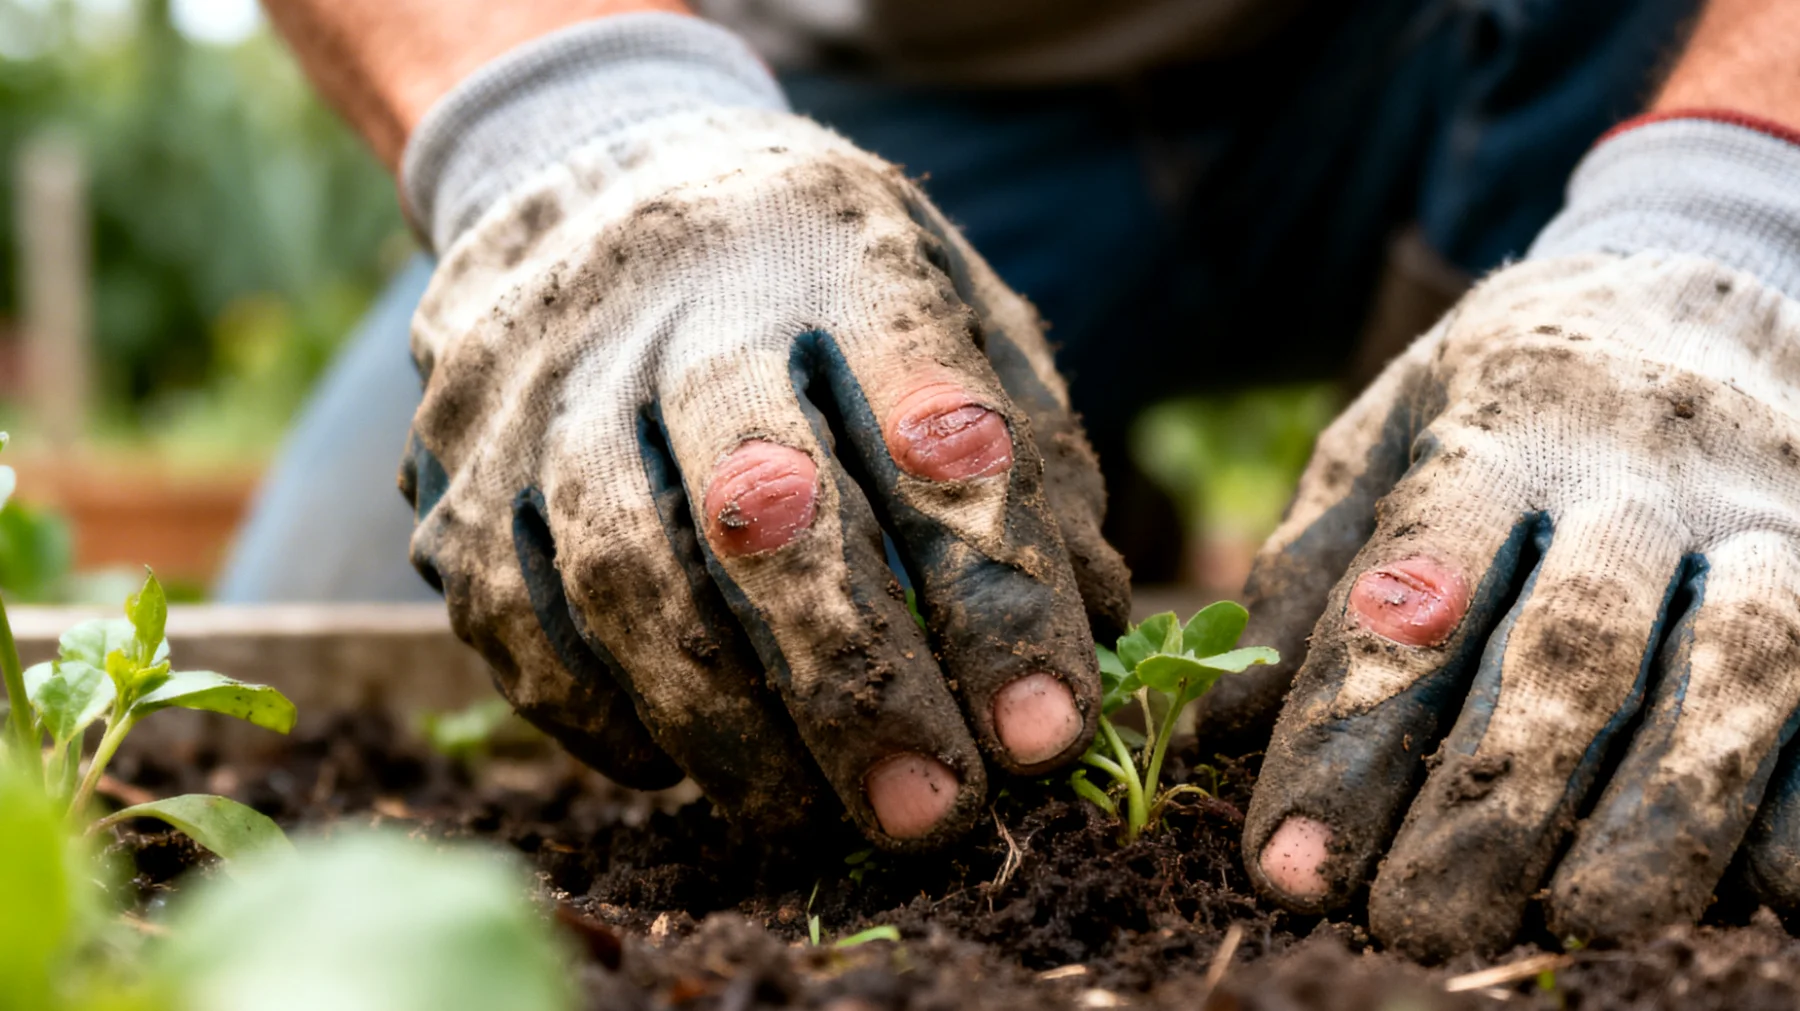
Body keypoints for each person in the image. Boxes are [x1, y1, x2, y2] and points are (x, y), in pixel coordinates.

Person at [236, 0, 1800, 959]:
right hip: (865, 71)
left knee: (1617, 659)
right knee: (407, 626)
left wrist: (1745, 230)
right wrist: (570, 131)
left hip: (1588, 43)